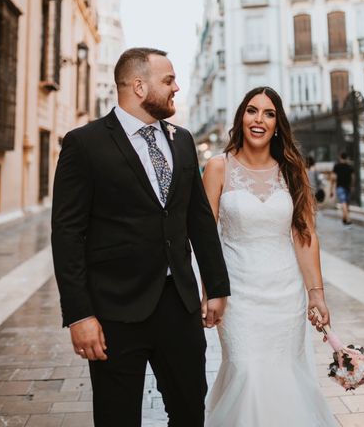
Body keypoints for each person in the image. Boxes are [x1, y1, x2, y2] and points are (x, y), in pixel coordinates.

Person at [51, 47, 230, 427]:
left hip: (179, 307)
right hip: (115, 311)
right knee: (117, 418)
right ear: (138, 86)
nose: (176, 88)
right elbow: (67, 234)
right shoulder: (84, 144)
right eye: (168, 81)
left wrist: (215, 285)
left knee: (188, 413)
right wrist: (79, 314)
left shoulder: (181, 140)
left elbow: (198, 218)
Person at [202, 86, 338, 426]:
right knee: (246, 370)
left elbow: (304, 235)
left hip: (284, 293)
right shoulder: (218, 168)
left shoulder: (292, 170)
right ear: (241, 118)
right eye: (252, 111)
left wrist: (316, 294)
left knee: (283, 374)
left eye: (268, 113)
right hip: (238, 295)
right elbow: (204, 237)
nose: (259, 119)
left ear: (278, 124)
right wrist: (211, 290)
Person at [331, 152, 354, 225]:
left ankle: (346, 218)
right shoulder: (350, 166)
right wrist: (352, 186)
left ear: (340, 157)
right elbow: (353, 177)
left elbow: (333, 178)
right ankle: (345, 218)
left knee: (343, 202)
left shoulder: (337, 166)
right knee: (346, 203)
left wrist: (331, 189)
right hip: (347, 186)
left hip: (340, 186)